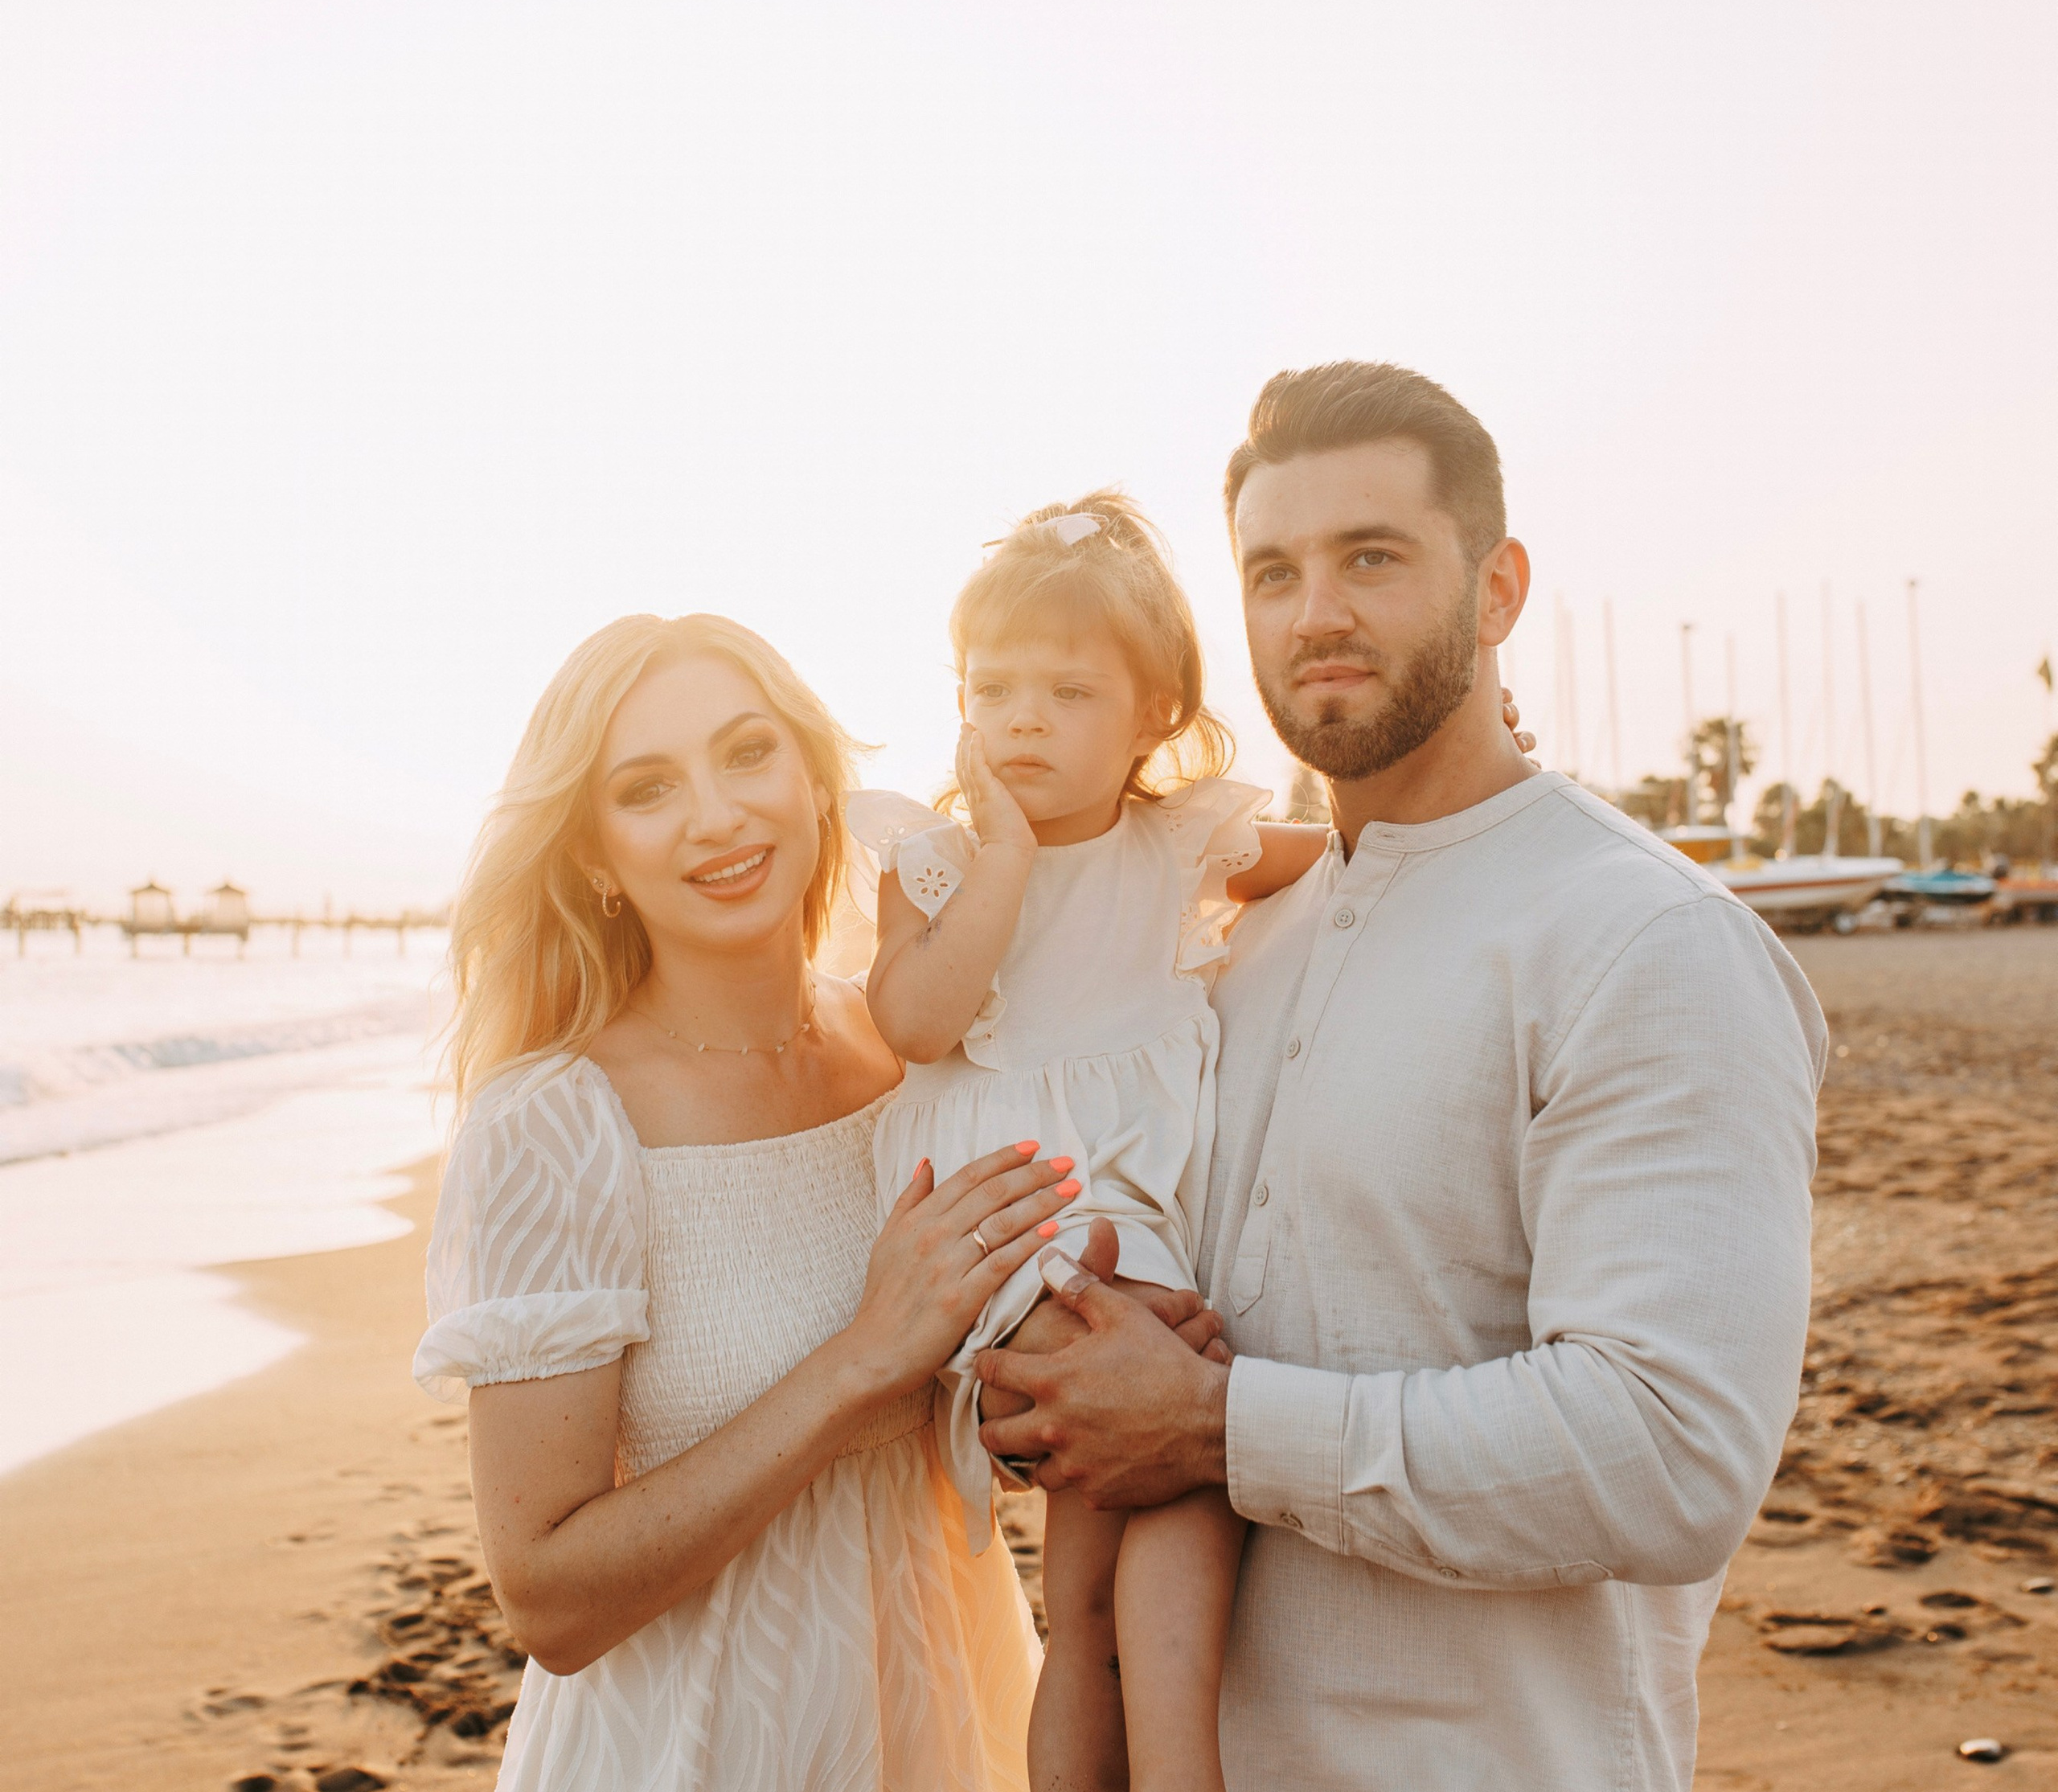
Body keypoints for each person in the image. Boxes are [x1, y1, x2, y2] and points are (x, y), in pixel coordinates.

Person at [976, 363, 1826, 1791]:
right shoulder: (1227, 952)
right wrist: (1048, 1394)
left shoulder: (1648, 943)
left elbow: (1672, 1453)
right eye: (1274, 572)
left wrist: (1213, 1428)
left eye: (1371, 558)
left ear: (1498, 590)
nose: (1315, 613)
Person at [411, 610, 1216, 1791]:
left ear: (813, 779)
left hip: (946, 1709)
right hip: (702, 1750)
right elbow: (547, 1599)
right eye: (648, 788)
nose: (716, 815)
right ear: (593, 857)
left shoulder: (913, 1052)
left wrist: (1072, 1379)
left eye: (747, 753)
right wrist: (861, 1364)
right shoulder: (557, 1122)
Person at [848, 494, 1329, 1792]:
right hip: (997, 1232)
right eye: (994, 688)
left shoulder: (1180, 845)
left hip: (1133, 1240)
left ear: (1154, 714)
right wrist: (1004, 856)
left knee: (1096, 1604)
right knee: (1180, 1467)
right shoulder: (935, 863)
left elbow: (1356, 853)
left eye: (1069, 693)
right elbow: (914, 1021)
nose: (1023, 720)